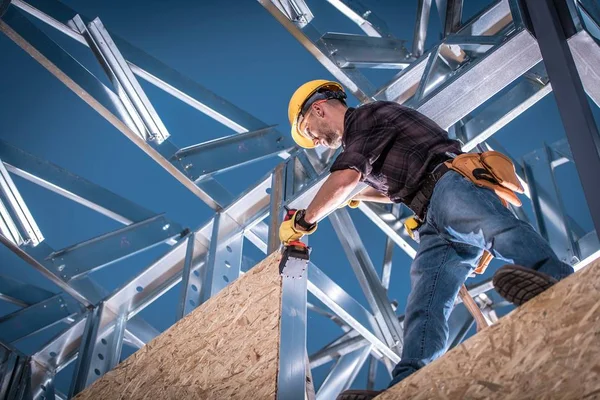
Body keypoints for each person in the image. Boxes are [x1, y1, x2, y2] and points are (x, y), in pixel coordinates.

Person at [278, 80, 575, 399]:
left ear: (319, 109)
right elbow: (397, 185)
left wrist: (304, 220)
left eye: (310, 131)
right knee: (426, 298)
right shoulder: (370, 130)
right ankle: (409, 383)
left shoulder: (364, 120)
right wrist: (362, 196)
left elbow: (345, 177)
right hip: (434, 209)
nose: (318, 142)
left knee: (493, 228)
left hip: (449, 186)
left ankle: (554, 277)